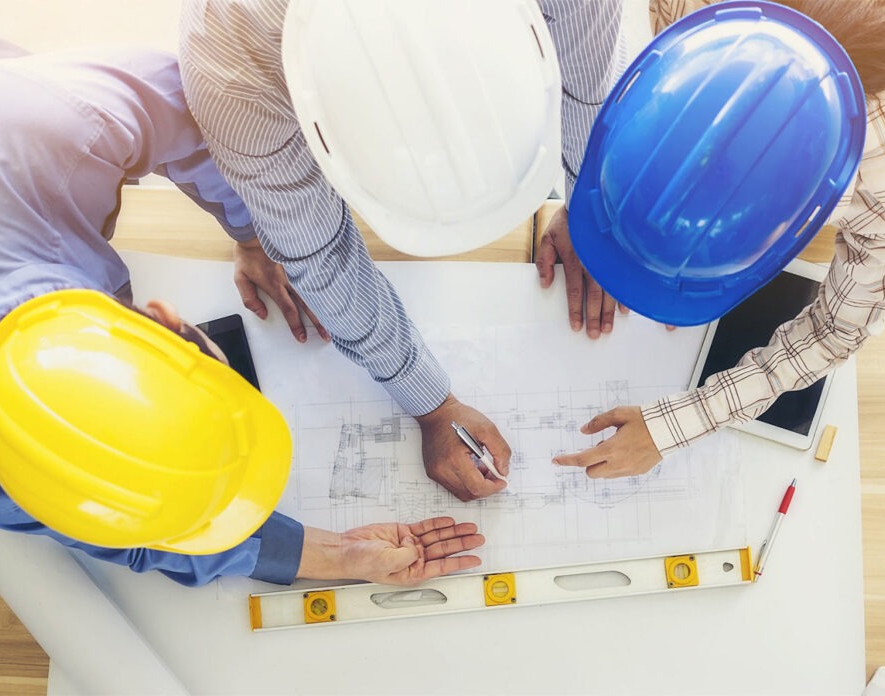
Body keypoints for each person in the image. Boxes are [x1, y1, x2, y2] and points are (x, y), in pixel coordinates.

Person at [0, 39, 484, 587]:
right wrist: (335, 558)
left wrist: (254, 233)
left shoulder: (58, 121)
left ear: (165, 320)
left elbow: (210, 119)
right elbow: (132, 533)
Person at [179, 0, 625, 501]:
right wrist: (431, 406)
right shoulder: (232, 68)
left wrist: (590, 217)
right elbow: (321, 254)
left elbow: (591, 91)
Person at [537, 0, 885, 477]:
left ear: (799, 220)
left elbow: (836, 331)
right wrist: (598, 209)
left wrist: (677, 426)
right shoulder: (701, 15)